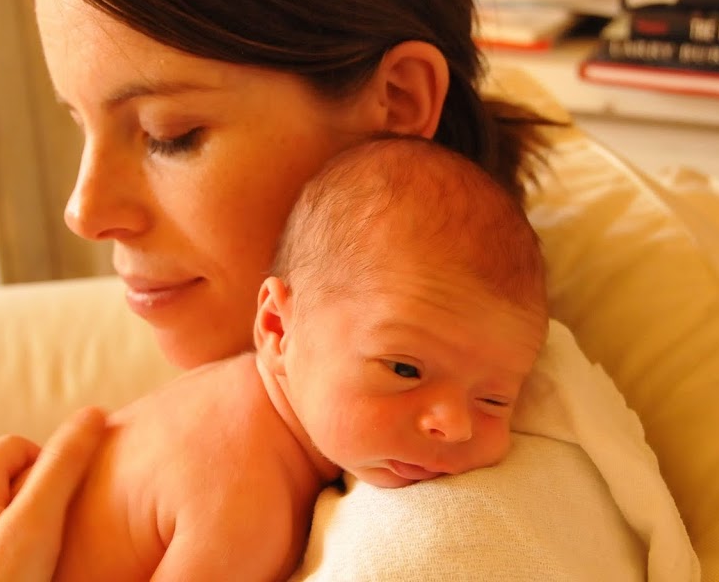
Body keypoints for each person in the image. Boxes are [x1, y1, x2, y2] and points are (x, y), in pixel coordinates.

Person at [0, 0, 558, 579]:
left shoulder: (454, 522)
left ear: (398, 103)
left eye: (170, 134)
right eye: (79, 124)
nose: (83, 211)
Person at [48, 135, 548, 582]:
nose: (455, 426)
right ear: (278, 329)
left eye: (494, 399)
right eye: (404, 369)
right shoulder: (245, 498)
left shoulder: (259, 418)